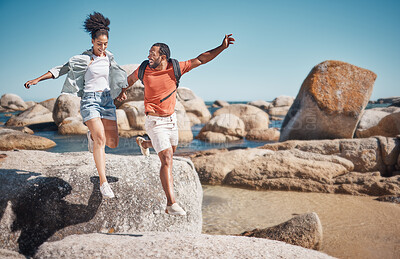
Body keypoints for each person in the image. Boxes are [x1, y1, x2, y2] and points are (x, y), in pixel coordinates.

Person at [116, 34, 235, 215]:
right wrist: (122, 92)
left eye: (153, 54)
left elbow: (202, 59)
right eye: (149, 53)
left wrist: (222, 47)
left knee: (171, 150)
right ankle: (171, 204)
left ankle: (145, 143)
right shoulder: (143, 69)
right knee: (167, 159)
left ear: (163, 57)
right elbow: (129, 80)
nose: (149, 56)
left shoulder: (175, 68)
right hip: (154, 121)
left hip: (171, 121)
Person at [24, 12, 127, 199]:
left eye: (105, 44)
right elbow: (61, 69)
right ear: (92, 40)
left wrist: (121, 89)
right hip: (90, 101)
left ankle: (91, 136)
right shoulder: (83, 58)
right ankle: (103, 182)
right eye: (99, 44)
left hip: (107, 101)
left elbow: (116, 75)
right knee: (101, 140)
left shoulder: (109, 57)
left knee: (113, 142)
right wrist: (38, 79)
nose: (102, 47)